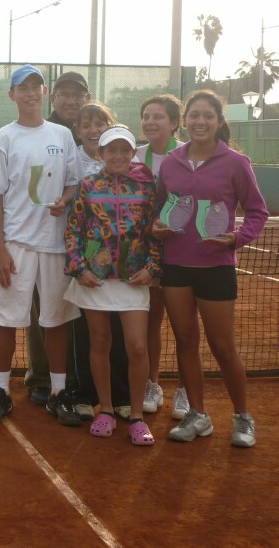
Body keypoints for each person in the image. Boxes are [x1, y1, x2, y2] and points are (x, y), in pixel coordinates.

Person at [153, 90, 267, 448]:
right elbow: (158, 209)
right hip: (175, 268)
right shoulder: (171, 161)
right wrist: (156, 226)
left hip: (216, 268)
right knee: (185, 341)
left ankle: (242, 417)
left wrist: (236, 239)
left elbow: (257, 211)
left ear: (219, 122)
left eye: (208, 116)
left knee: (223, 346)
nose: (200, 122)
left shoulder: (236, 163)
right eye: (194, 116)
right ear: (184, 121)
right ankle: (198, 415)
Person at [0, 64, 81, 426]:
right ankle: (2, 391)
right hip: (17, 245)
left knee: (55, 322)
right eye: (23, 87)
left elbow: (71, 183)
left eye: (37, 86)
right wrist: (0, 249)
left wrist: (65, 201)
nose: (31, 93)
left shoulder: (63, 135)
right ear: (12, 95)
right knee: (6, 321)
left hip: (55, 247)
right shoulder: (2, 139)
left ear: (44, 93)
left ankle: (58, 392)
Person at [64, 126, 160, 445]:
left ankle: (136, 416)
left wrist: (152, 267)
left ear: (133, 153)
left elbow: (154, 232)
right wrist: (79, 269)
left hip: (134, 280)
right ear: (100, 154)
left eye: (124, 150)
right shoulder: (88, 186)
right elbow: (74, 231)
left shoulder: (146, 189)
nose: (118, 156)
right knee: (100, 342)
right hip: (95, 279)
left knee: (137, 346)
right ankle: (105, 409)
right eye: (111, 150)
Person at [24, 71, 90, 406]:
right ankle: (39, 376)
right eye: (64, 94)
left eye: (77, 95)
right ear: (53, 98)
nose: (70, 101)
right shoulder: (40, 129)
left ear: (86, 99)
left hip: (89, 243)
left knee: (79, 312)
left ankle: (77, 379)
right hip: (44, 237)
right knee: (41, 313)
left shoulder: (96, 131)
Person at [69, 102, 131, 422]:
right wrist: (78, 264)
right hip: (87, 265)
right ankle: (85, 394)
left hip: (122, 270)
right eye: (86, 125)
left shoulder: (126, 163)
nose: (93, 130)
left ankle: (121, 396)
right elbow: (72, 217)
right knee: (88, 335)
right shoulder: (73, 160)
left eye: (100, 123)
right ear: (78, 131)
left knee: (119, 334)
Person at [134, 94, 189, 419]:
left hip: (182, 255)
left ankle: (184, 389)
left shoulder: (186, 155)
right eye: (146, 116)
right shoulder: (136, 156)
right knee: (151, 322)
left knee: (184, 328)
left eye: (158, 116)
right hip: (146, 255)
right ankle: (152, 384)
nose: (151, 122)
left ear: (173, 123)